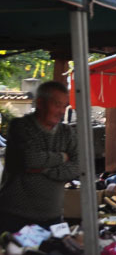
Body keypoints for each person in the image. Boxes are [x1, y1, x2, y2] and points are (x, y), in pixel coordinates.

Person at [0, 81, 79, 233]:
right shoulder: (21, 126)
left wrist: (43, 170)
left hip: (53, 217)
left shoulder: (67, 132)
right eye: (57, 105)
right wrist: (62, 157)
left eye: (64, 105)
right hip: (15, 216)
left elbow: (78, 167)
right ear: (41, 103)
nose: (62, 111)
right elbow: (29, 159)